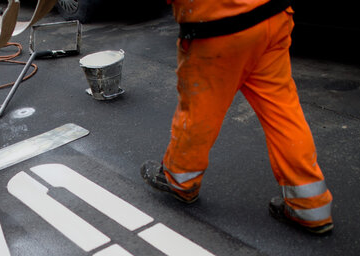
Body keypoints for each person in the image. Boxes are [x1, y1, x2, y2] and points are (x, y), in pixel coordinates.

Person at [141, 0, 333, 234]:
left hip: (219, 25)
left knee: (199, 110)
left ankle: (180, 180)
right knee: (282, 109)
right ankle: (311, 206)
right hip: (273, 15)